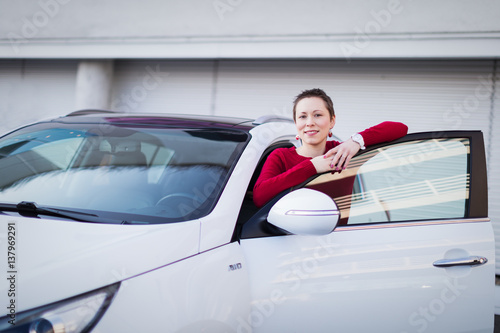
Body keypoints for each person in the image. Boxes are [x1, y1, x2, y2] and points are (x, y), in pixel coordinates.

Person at [253, 88, 408, 208]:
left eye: (318, 115)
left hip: (339, 242)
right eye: (302, 116)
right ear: (296, 123)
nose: (309, 122)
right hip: (286, 243)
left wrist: (355, 141)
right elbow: (260, 197)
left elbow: (400, 128)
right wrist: (312, 167)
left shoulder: (344, 153)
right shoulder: (280, 156)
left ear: (332, 121)